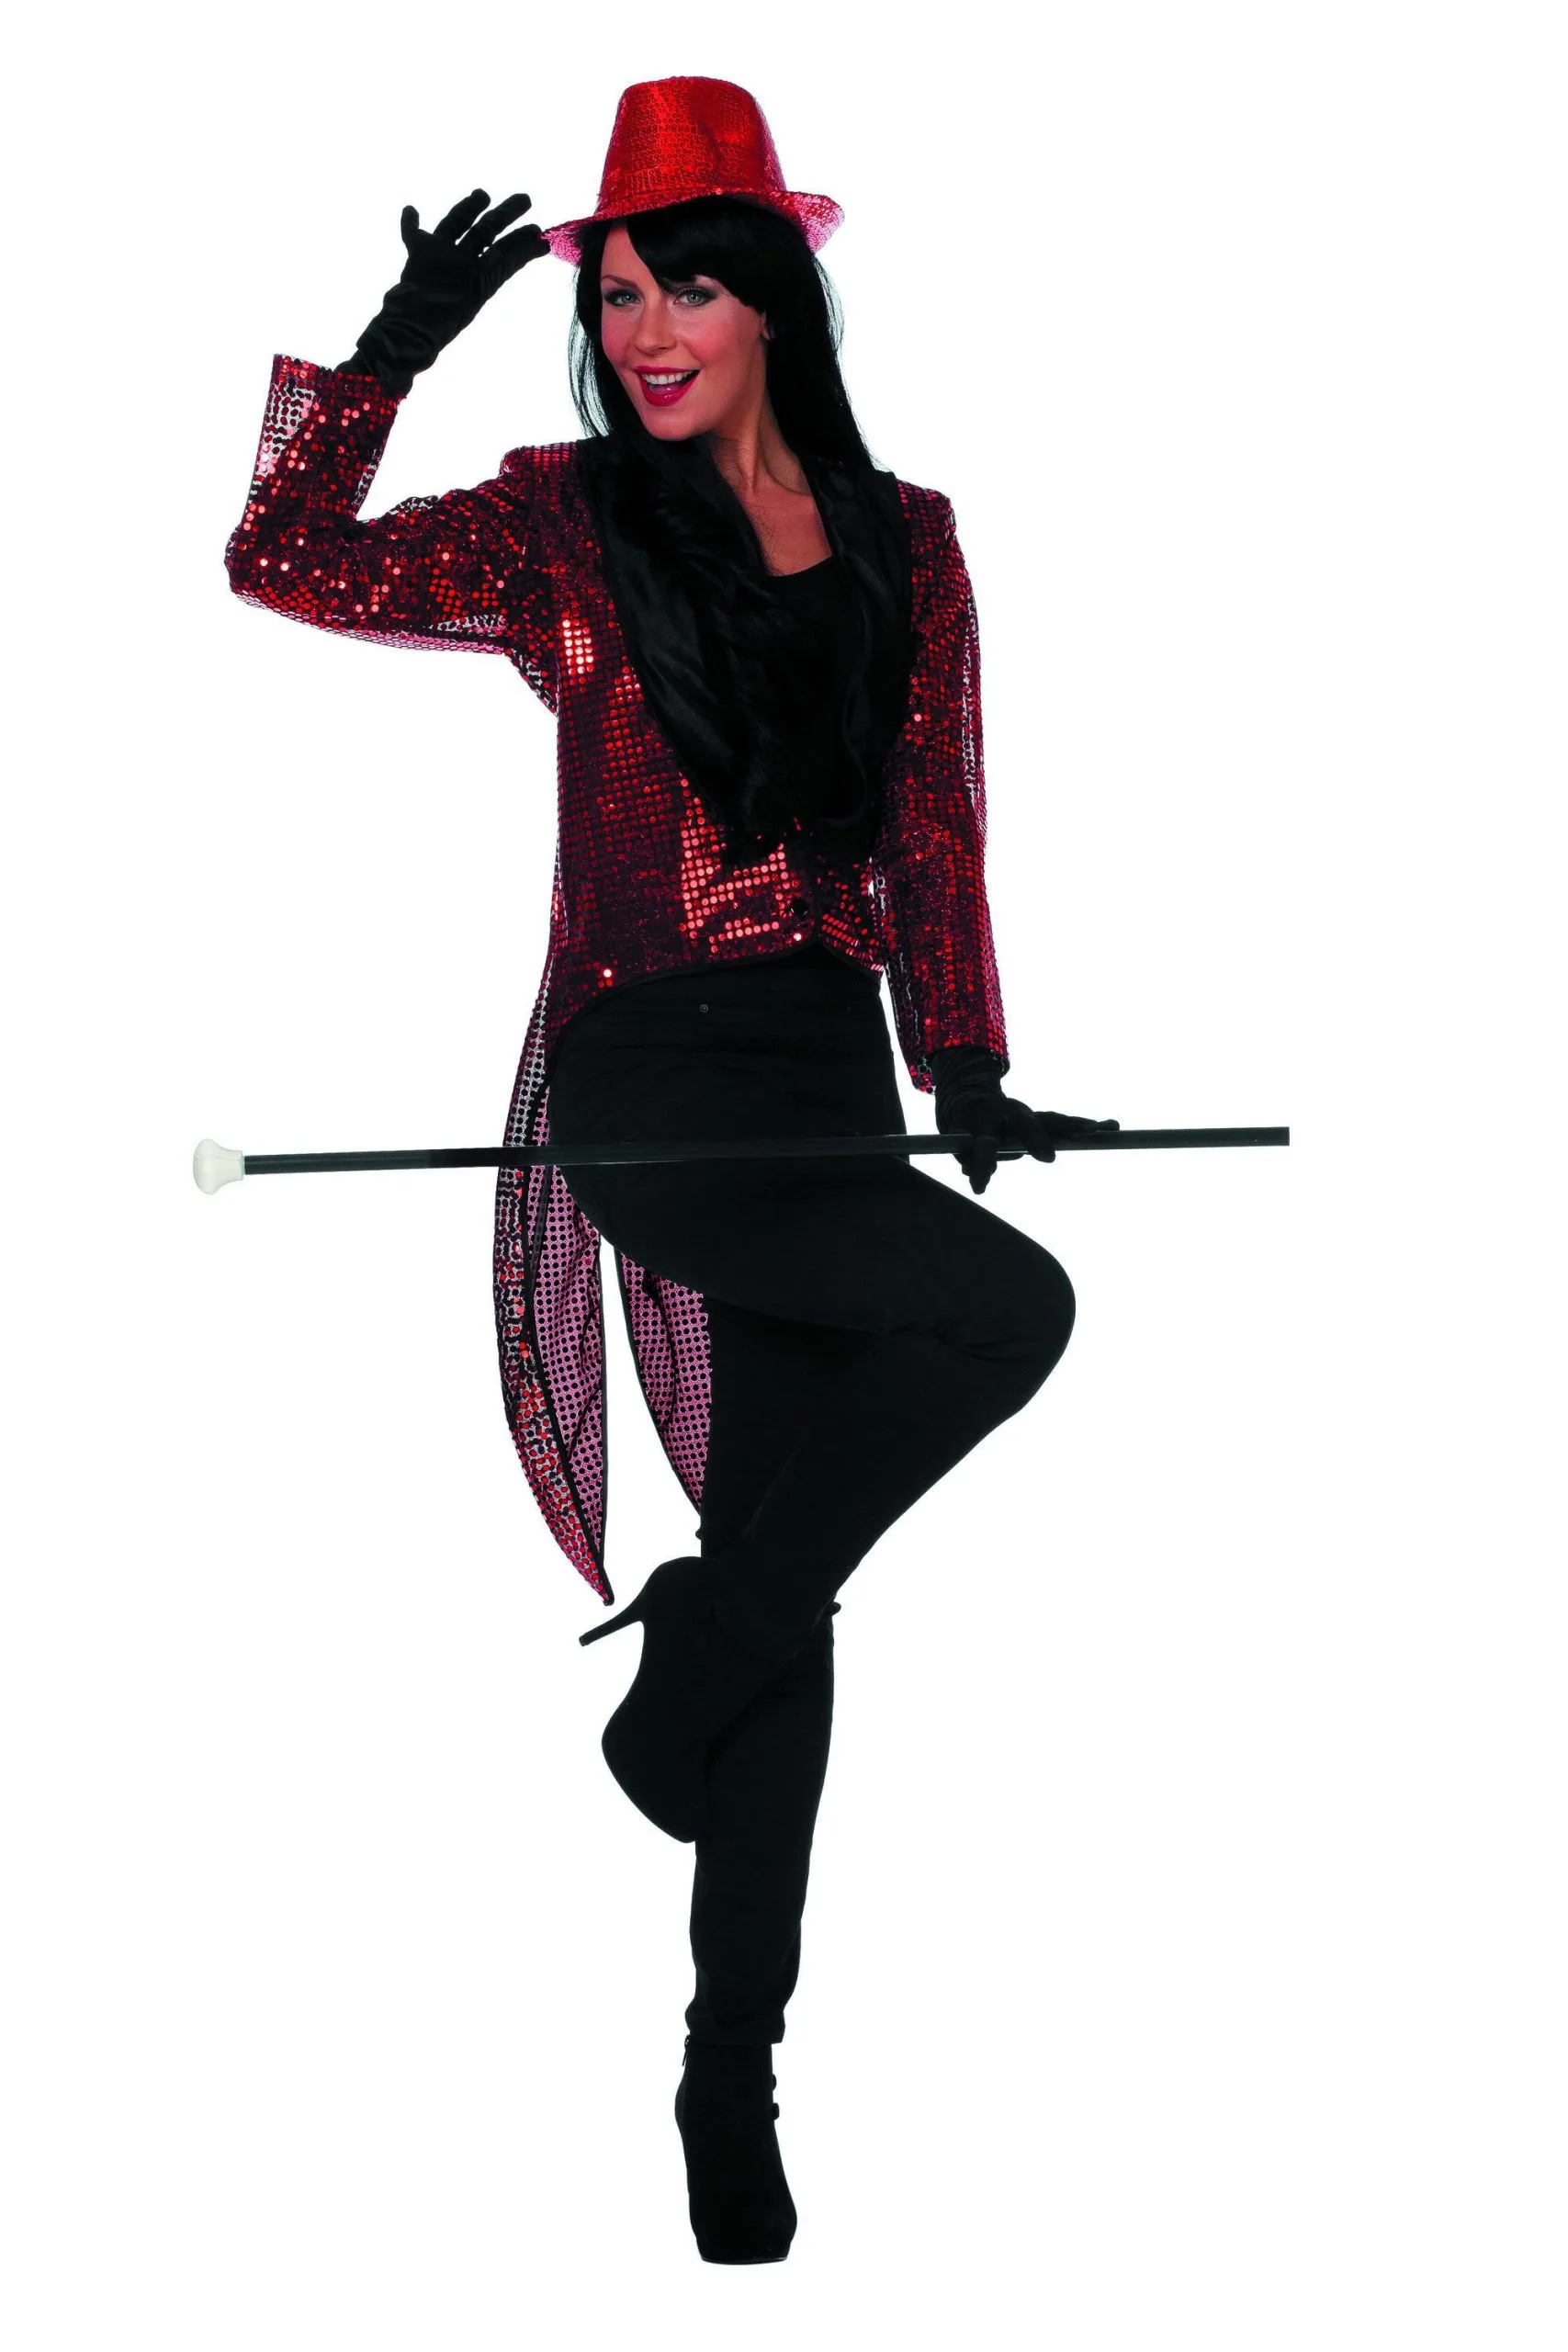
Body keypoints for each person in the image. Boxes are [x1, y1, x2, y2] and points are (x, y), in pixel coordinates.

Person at [225, 74, 1116, 2267]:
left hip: (821, 1071)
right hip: (645, 1075)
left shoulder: (910, 534)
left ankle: (731, 2061)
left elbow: (936, 817)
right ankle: (704, 1633)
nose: (641, 330)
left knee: (787, 1596)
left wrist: (967, 1061)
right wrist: (386, 353)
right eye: (612, 296)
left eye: (681, 288)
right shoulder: (560, 521)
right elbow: (284, 563)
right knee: (1005, 1316)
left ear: (771, 298)